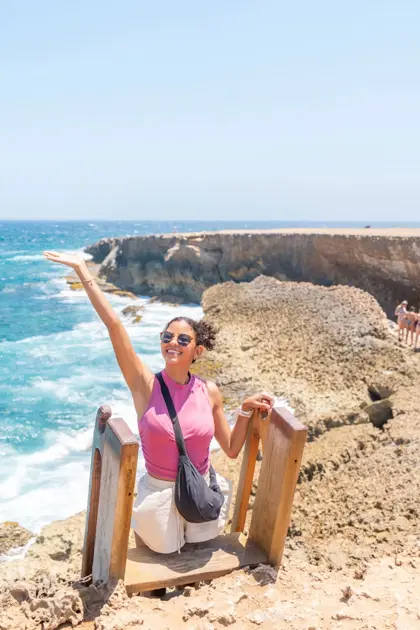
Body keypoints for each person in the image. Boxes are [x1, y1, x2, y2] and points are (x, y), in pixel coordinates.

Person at [43, 251, 274, 556]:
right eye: (168, 336)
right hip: (159, 500)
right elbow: (116, 327)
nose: (172, 343)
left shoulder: (210, 391)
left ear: (198, 351)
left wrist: (244, 410)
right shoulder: (145, 386)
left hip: (199, 495)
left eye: (182, 339)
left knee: (195, 570)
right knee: (157, 577)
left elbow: (231, 449)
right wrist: (84, 273)